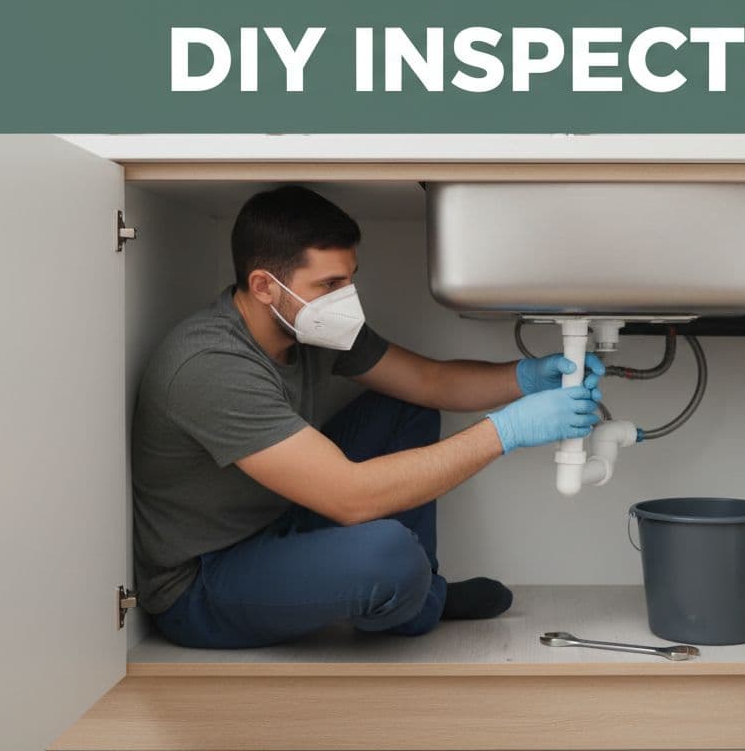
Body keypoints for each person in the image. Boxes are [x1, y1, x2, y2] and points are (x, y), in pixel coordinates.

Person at [131, 185, 604, 648]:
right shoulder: (211, 365)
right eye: (330, 284)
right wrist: (508, 429)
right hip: (204, 583)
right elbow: (350, 498)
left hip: (277, 521)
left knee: (406, 407)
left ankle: (417, 591)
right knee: (389, 554)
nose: (346, 297)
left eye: (349, 278)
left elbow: (427, 381)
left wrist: (526, 377)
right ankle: (413, 591)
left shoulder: (308, 324)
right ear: (263, 287)